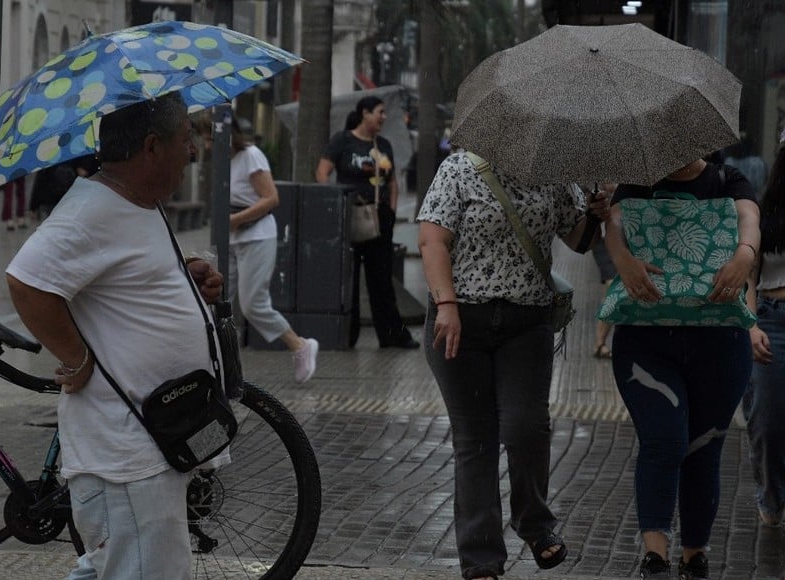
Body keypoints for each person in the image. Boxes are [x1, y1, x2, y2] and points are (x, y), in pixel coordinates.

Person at [6, 92, 223, 579]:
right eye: (186, 140)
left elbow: (121, 273)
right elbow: (26, 281)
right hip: (126, 452)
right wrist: (76, 359)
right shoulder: (91, 208)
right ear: (151, 147)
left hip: (154, 440)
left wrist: (184, 273)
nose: (192, 152)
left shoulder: (138, 201)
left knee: (112, 567)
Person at [416, 149, 609, 579]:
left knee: (527, 428)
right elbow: (432, 241)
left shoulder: (557, 176)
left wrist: (595, 214)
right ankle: (481, 560)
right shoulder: (459, 168)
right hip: (460, 321)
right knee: (476, 440)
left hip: (526, 324)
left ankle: (534, 522)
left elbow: (578, 241)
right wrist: (445, 304)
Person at [605, 157, 760, 579]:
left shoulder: (728, 178)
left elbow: (749, 217)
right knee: (663, 441)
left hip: (720, 339)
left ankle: (695, 556)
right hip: (646, 340)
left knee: (704, 449)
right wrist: (623, 260)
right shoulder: (637, 180)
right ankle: (654, 555)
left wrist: (745, 253)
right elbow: (614, 226)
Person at [744, 113, 785, 547]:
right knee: (768, 427)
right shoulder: (764, 212)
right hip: (772, 324)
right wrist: (750, 326)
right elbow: (748, 276)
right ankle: (773, 493)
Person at [316, 96, 419, 349]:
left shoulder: (383, 144)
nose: (383, 117)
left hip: (379, 219)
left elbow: (392, 182)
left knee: (381, 280)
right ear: (365, 113)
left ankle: (392, 335)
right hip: (349, 216)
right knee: (347, 280)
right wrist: (335, 203)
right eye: (379, 112)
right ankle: (345, 336)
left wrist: (392, 211)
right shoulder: (342, 141)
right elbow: (322, 172)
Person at [228, 119, 319, 383]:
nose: (207, 144)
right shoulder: (224, 160)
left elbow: (271, 198)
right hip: (231, 238)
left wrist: (234, 220)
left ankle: (299, 345)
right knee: (216, 302)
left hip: (256, 236)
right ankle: (221, 363)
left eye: (209, 137)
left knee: (252, 303)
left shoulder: (250, 156)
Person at [588, 183, 618, 359]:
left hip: (625, 236)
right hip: (602, 237)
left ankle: (600, 341)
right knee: (613, 285)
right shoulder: (593, 173)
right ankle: (600, 341)